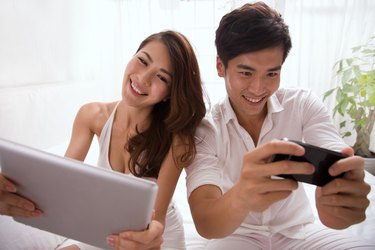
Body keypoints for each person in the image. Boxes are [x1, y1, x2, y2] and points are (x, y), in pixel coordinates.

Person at [186, 2, 374, 249]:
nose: (258, 88)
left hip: (300, 232)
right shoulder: (205, 129)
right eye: (246, 73)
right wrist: (242, 196)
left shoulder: (303, 104)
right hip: (235, 235)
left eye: (271, 74)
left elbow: (334, 153)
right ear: (220, 66)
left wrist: (342, 195)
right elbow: (206, 224)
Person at [0, 30, 206, 250]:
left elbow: (158, 219)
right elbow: (62, 182)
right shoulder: (92, 116)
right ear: (132, 57)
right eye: (142, 61)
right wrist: (17, 186)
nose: (143, 79)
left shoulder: (177, 137)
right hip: (108, 229)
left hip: (155, 239)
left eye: (162, 77)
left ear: (168, 93)